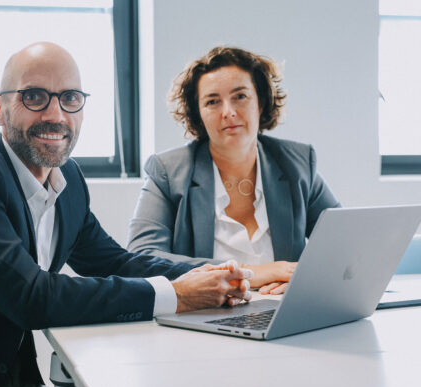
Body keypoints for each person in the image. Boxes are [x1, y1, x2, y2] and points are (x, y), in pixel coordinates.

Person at [0, 42, 253, 387]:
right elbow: (32, 298)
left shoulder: (68, 179)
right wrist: (177, 295)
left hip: (7, 384)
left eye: (70, 98)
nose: (56, 114)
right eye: (34, 97)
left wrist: (218, 274)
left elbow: (114, 261)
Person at [128, 46, 341, 296]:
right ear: (198, 114)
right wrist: (251, 272)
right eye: (212, 102)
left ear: (261, 102)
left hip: (282, 309)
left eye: (240, 96)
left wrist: (302, 278)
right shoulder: (168, 172)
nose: (228, 112)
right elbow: (142, 258)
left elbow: (344, 245)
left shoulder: (298, 164)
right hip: (205, 313)